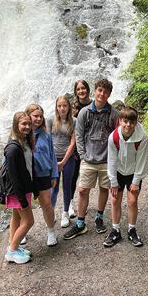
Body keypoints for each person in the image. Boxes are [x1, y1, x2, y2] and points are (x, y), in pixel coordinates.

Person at [64, 78, 118, 240]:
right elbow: (79, 135)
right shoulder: (84, 112)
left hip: (106, 160)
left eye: (106, 92)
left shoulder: (113, 113)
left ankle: (99, 217)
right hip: (88, 159)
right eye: (100, 90)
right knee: (82, 190)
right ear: (95, 91)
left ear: (109, 94)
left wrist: (114, 158)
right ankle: (80, 223)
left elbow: (117, 136)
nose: (102, 94)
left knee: (104, 189)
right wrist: (82, 155)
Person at [104, 106, 148, 248]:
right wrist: (113, 181)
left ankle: (131, 229)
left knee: (132, 201)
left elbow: (141, 160)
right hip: (118, 170)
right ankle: (115, 230)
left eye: (132, 122)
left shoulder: (142, 137)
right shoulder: (113, 137)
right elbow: (111, 160)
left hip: (134, 171)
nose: (128, 125)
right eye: (125, 121)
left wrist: (136, 181)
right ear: (120, 121)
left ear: (136, 122)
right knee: (115, 199)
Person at [4, 112, 36, 264]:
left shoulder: (24, 142)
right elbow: (14, 177)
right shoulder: (13, 149)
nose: (27, 127)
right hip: (18, 192)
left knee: (16, 217)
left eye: (29, 124)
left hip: (23, 189)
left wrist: (33, 188)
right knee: (29, 221)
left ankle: (14, 246)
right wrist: (22, 198)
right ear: (16, 125)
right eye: (24, 124)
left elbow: (28, 168)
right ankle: (11, 251)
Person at [25, 103, 59, 247]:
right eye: (35, 116)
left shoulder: (46, 135)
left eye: (40, 116)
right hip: (26, 175)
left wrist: (54, 174)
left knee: (46, 203)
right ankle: (22, 232)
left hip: (43, 174)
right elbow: (9, 154)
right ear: (28, 116)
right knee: (23, 206)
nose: (38, 119)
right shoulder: (22, 133)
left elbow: (52, 156)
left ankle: (51, 232)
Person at [47, 96, 76, 228]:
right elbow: (48, 141)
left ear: (69, 107)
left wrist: (63, 161)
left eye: (64, 105)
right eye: (59, 106)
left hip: (68, 158)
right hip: (53, 159)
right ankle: (51, 212)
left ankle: (65, 213)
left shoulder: (74, 121)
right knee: (54, 187)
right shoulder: (50, 120)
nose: (62, 108)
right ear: (56, 107)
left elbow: (73, 143)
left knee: (67, 186)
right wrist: (53, 162)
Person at [69, 79, 91, 218]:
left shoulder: (94, 105)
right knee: (73, 175)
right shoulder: (72, 108)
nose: (81, 91)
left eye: (83, 88)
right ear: (75, 92)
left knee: (86, 177)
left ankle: (83, 205)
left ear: (88, 89)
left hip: (90, 146)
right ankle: (69, 203)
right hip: (75, 147)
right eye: (78, 89)